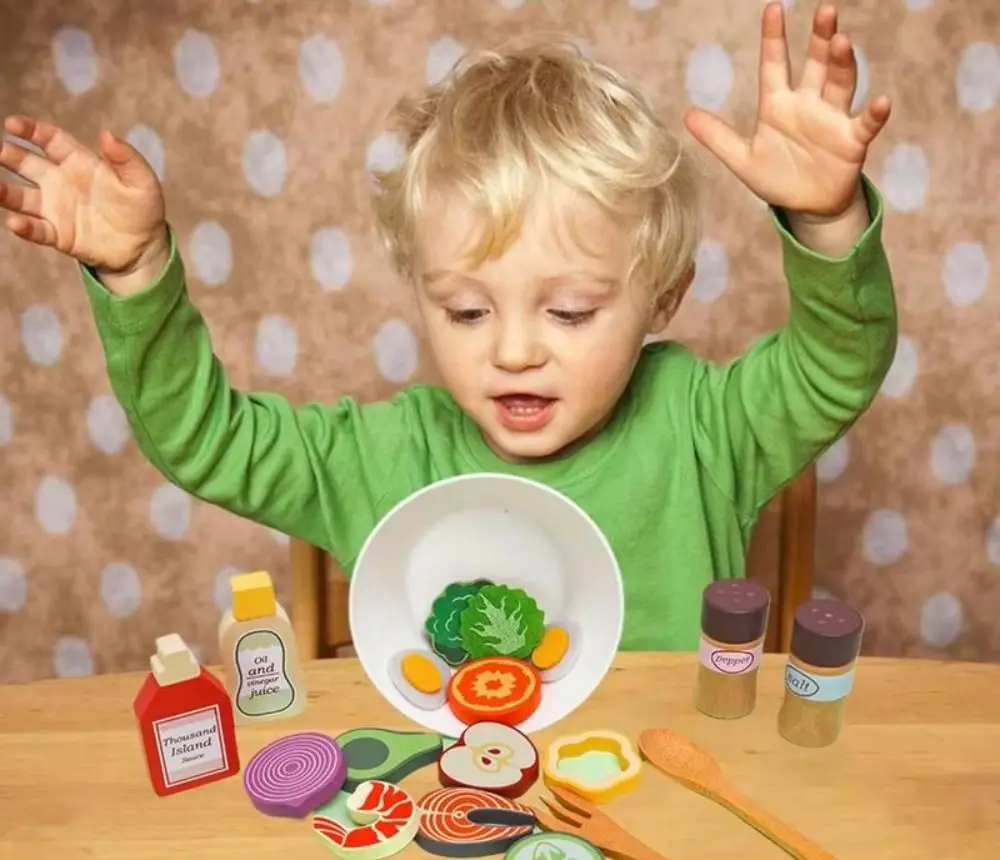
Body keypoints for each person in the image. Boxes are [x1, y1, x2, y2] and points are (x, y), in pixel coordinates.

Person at [0, 2, 896, 650]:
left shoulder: (707, 427)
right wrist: (136, 272)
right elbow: (207, 440)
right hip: (450, 832)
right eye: (466, 309)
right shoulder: (385, 457)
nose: (511, 350)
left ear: (663, 298)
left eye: (571, 310)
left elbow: (839, 362)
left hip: (662, 814)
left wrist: (828, 222)